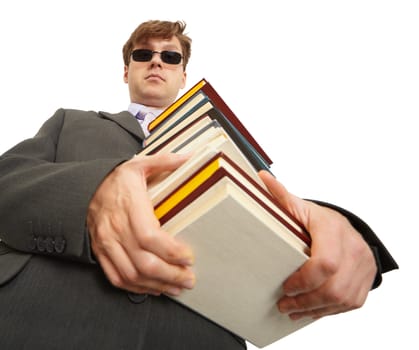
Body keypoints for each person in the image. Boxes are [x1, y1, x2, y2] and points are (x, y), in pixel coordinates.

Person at [0, 20, 398, 349]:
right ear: (126, 70)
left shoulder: (224, 140)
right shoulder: (71, 121)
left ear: (183, 73)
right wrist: (90, 195)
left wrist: (340, 230)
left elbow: (274, 214)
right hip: (38, 325)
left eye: (169, 57)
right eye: (144, 54)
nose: (156, 62)